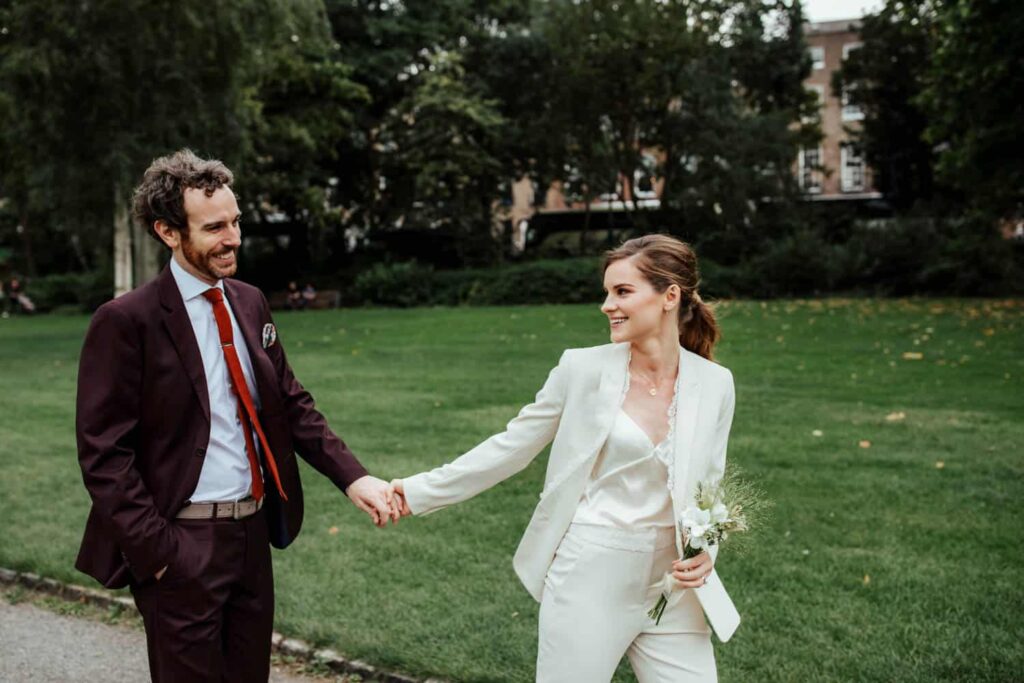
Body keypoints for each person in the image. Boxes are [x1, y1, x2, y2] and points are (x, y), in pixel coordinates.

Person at [74, 149, 397, 683]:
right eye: (215, 227)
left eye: (236, 221)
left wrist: (354, 477)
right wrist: (159, 553)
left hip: (251, 537)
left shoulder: (250, 302)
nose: (234, 238)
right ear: (168, 232)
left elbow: (290, 403)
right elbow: (104, 455)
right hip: (180, 544)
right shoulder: (125, 322)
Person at [392, 234, 740, 682]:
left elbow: (709, 488)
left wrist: (706, 551)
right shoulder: (581, 370)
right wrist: (417, 491)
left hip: (672, 592)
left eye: (623, 292)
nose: (607, 305)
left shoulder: (716, 383)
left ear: (670, 296)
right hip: (589, 578)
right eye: (607, 292)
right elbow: (510, 447)